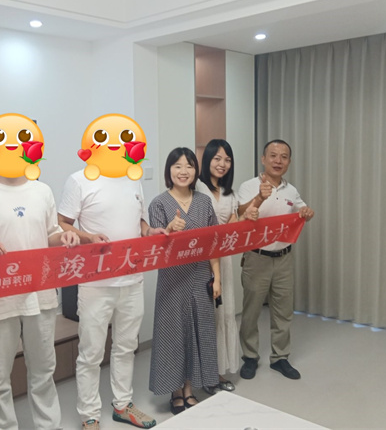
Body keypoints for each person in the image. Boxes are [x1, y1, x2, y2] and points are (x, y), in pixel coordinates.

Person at [0, 172, 79, 430]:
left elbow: (51, 234)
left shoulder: (42, 190)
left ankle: (49, 426)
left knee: (44, 371)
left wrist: (64, 238)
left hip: (40, 294)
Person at [58, 168, 166, 430]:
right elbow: (62, 223)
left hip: (132, 279)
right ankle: (89, 416)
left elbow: (140, 222)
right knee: (91, 353)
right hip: (96, 283)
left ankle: (122, 405)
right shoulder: (79, 179)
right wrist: (88, 237)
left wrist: (149, 232)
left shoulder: (133, 178)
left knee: (126, 347)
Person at [147, 147, 220, 415]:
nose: (183, 171)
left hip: (200, 275)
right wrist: (168, 230)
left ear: (195, 171)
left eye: (189, 166)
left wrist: (217, 277)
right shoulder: (159, 203)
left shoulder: (204, 202)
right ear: (169, 171)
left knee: (198, 332)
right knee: (173, 334)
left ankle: (189, 389)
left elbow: (213, 242)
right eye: (177, 166)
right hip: (172, 279)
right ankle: (175, 391)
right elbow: (157, 246)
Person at [236, 139, 314, 381]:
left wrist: (306, 213)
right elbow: (239, 214)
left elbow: (303, 210)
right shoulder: (249, 186)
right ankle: (250, 357)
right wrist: (258, 198)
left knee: (283, 311)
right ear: (263, 159)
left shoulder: (292, 191)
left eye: (283, 156)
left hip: (283, 259)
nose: (278, 160)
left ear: (289, 162)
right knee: (251, 312)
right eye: (273, 155)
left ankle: (280, 358)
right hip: (256, 257)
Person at [196, 139, 258, 394]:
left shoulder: (230, 193)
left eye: (228, 160)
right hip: (200, 259)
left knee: (223, 314)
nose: (222, 164)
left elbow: (231, 228)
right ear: (207, 160)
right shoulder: (197, 187)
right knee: (204, 317)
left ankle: (217, 372)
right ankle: (200, 373)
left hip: (224, 258)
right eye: (217, 158)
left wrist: (244, 218)